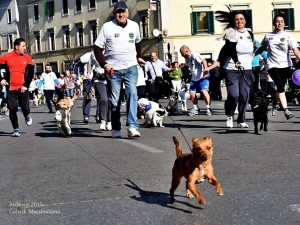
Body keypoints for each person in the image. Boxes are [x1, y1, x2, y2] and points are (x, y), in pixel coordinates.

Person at [94, 1, 146, 138]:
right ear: (114, 14)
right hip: (113, 70)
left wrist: (139, 57)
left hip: (131, 68)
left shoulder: (134, 26)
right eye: (118, 12)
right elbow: (97, 49)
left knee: (133, 94)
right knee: (114, 100)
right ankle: (116, 127)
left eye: (123, 11)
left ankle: (132, 127)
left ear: (127, 13)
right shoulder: (107, 27)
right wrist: (105, 64)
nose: (121, 14)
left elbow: (138, 42)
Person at [213, 10, 255, 128]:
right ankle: (230, 116)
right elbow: (231, 49)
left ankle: (241, 119)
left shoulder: (249, 33)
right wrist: (236, 61)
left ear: (245, 21)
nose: (239, 21)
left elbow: (250, 50)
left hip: (246, 69)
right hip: (231, 68)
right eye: (236, 19)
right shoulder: (231, 33)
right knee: (234, 94)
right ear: (233, 22)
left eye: (241, 19)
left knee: (244, 95)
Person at [255, 14, 300, 120]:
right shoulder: (268, 36)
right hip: (272, 65)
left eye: (281, 21)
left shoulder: (288, 36)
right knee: (280, 86)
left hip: (285, 65)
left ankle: (276, 101)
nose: (279, 23)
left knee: (281, 88)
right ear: (274, 23)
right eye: (277, 21)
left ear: (284, 24)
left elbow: (296, 50)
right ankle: (286, 110)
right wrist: (253, 54)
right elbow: (262, 47)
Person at [0, 38, 34, 137]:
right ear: (16, 47)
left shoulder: (27, 58)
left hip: (23, 87)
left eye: (25, 46)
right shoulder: (6, 57)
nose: (25, 48)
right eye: (23, 46)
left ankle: (27, 115)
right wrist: (1, 79)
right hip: (11, 88)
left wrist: (26, 85)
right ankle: (16, 129)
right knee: (12, 108)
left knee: (24, 107)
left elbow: (31, 73)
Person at [180, 45, 212, 116]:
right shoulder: (186, 58)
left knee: (204, 92)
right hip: (194, 78)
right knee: (191, 93)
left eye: (182, 54)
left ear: (186, 51)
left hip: (202, 77)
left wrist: (206, 70)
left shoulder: (194, 55)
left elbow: (204, 60)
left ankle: (209, 108)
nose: (182, 55)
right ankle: (196, 108)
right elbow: (190, 66)